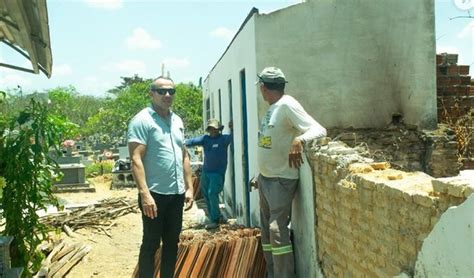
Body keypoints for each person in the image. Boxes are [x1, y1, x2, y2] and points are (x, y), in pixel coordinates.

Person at [256, 67, 327, 278]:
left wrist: (299, 140)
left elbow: (319, 129)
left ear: (263, 88)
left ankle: (283, 275)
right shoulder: (273, 107)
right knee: (267, 233)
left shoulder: (287, 105)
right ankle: (272, 272)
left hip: (281, 179)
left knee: (277, 231)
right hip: (266, 179)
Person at [128, 76, 194, 278]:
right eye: (161, 91)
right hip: (154, 194)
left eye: (171, 91)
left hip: (176, 193)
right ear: (151, 94)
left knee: (172, 243)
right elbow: (136, 158)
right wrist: (145, 194)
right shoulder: (142, 120)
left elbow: (184, 155)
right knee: (151, 243)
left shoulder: (177, 120)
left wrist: (189, 187)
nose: (167, 95)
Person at [185, 119, 232, 229]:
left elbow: (234, 136)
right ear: (209, 130)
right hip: (206, 172)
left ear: (219, 129)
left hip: (217, 173)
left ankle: (216, 219)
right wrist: (182, 143)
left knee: (212, 193)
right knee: (206, 194)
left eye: (215, 129)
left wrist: (232, 128)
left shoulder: (224, 139)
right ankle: (213, 217)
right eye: (211, 129)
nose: (213, 131)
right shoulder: (205, 139)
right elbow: (191, 142)